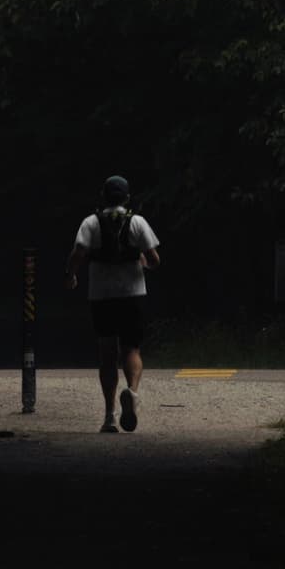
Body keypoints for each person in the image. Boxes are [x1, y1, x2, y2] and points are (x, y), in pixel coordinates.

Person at [64, 175, 161, 433]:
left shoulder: (91, 222)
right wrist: (142, 261)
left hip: (101, 295)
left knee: (107, 353)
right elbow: (154, 259)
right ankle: (132, 392)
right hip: (133, 295)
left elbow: (78, 254)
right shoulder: (137, 222)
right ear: (127, 198)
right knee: (131, 350)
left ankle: (109, 416)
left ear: (103, 196)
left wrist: (70, 275)